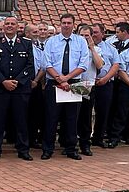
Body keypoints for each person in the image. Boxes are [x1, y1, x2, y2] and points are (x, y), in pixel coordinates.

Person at [42, 13, 90, 160]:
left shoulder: (81, 41)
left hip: (74, 83)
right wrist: (59, 79)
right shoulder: (51, 41)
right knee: (51, 117)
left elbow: (84, 64)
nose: (66, 25)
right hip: (54, 82)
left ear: (73, 25)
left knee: (72, 118)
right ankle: (47, 149)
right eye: (64, 22)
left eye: (69, 23)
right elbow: (46, 63)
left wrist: (67, 79)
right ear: (60, 24)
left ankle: (71, 149)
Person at [0, 17, 35, 161]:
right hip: (0, 89)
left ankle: (23, 150)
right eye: (7, 24)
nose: (9, 26)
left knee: (21, 120)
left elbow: (29, 65)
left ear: (17, 27)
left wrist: (17, 81)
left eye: (12, 24)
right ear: (3, 27)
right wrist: (3, 81)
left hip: (20, 89)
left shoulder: (26, 43)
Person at [76, 25, 105, 156]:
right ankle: (69, 143)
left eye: (86, 35)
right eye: (81, 35)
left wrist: (92, 48)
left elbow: (99, 65)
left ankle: (85, 144)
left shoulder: (96, 49)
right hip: (73, 84)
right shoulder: (73, 48)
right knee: (71, 116)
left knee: (85, 117)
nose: (84, 38)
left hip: (87, 85)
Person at [90, 23, 120, 149]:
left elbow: (116, 65)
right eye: (92, 33)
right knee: (84, 112)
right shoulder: (83, 46)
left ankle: (98, 137)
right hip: (88, 83)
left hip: (105, 83)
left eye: (96, 32)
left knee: (103, 112)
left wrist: (105, 78)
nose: (93, 35)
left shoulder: (111, 48)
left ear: (103, 34)